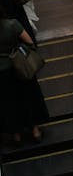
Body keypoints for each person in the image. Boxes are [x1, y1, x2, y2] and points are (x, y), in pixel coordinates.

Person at [0, 8, 48, 146]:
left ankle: (16, 136)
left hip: (2, 74)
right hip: (19, 68)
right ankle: (35, 131)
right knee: (28, 97)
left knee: (7, 103)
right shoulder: (12, 24)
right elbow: (29, 42)